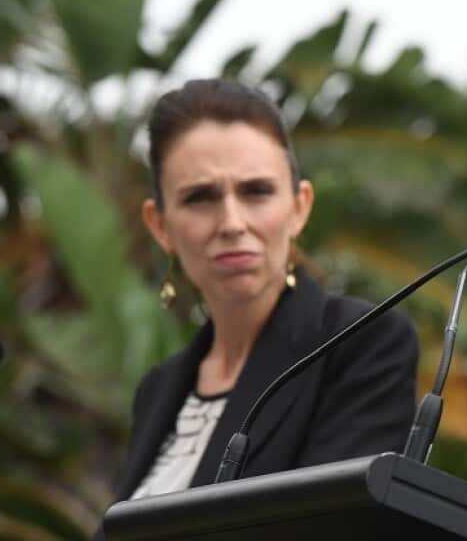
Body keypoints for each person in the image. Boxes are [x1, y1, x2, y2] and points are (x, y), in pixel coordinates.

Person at [109, 78, 418, 504]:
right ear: (160, 226)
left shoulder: (361, 344)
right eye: (200, 197)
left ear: (299, 207)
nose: (232, 223)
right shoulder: (158, 390)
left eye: (256, 191)